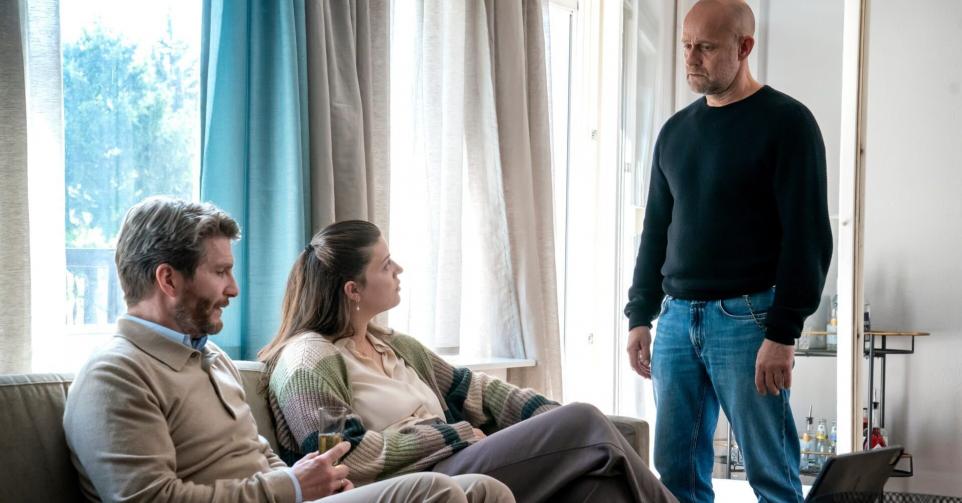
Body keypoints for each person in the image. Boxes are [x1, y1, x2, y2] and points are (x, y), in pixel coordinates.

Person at [63, 196, 513, 503]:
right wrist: (292, 487)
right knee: (433, 491)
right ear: (168, 279)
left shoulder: (212, 359)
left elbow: (261, 455)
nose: (233, 288)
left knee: (483, 490)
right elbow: (150, 498)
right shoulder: (116, 374)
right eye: (220, 272)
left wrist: (318, 481)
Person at [259, 220, 678, 503]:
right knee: (584, 418)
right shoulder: (308, 358)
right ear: (353, 290)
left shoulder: (394, 345)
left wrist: (551, 425)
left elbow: (480, 391)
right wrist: (453, 436)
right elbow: (346, 456)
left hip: (453, 462)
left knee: (599, 487)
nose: (399, 269)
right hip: (411, 483)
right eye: (386, 266)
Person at [623, 1, 834, 502]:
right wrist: (639, 315)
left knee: (772, 474)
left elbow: (807, 237)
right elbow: (656, 231)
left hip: (748, 319)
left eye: (706, 47)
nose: (691, 58)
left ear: (744, 47)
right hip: (676, 320)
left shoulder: (788, 123)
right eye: (686, 46)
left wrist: (783, 333)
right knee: (676, 476)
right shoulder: (675, 132)